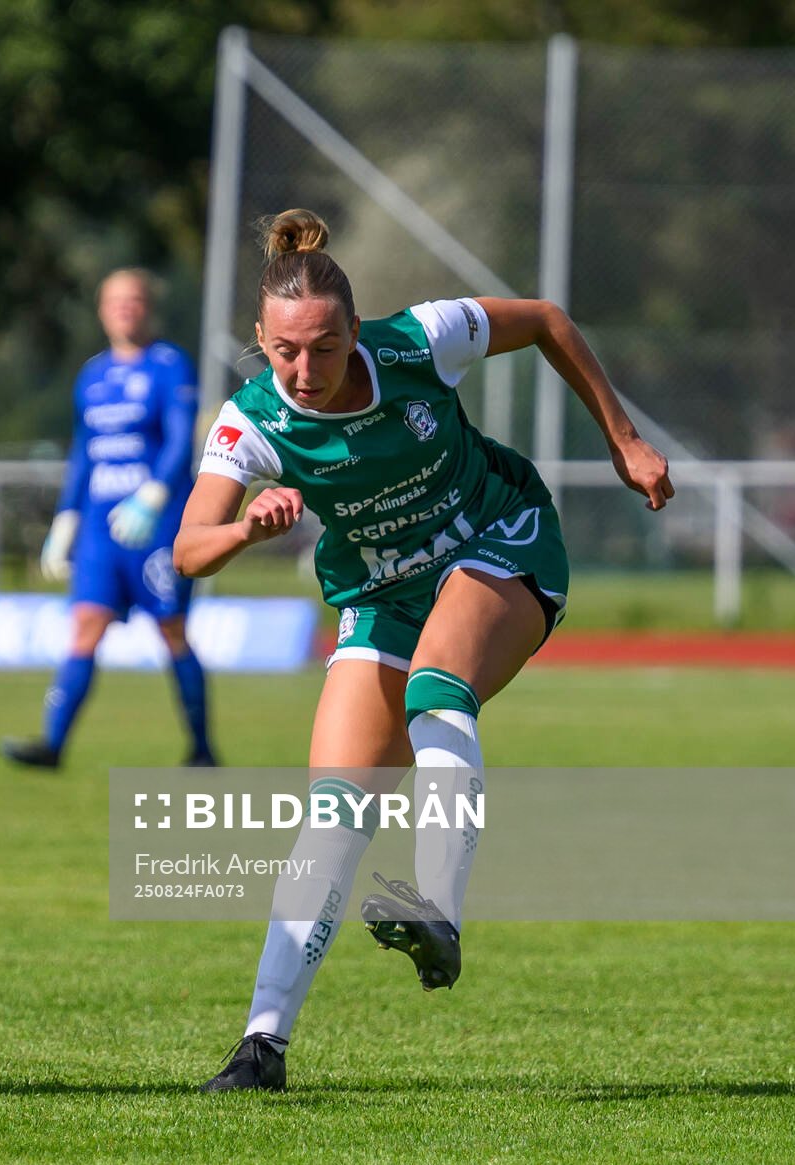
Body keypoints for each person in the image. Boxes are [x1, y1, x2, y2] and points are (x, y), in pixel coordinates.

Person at [177, 210, 671, 1092]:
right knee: (331, 814)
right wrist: (249, 525)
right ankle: (261, 1047)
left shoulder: (422, 341)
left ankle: (439, 909)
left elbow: (548, 320)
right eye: (285, 351)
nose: (305, 370)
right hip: (382, 593)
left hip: (500, 536)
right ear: (259, 339)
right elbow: (188, 548)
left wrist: (624, 439)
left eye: (325, 348)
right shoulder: (250, 422)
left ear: (355, 332)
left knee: (438, 687)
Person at [2, 269, 216, 770]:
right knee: (85, 628)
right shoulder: (92, 375)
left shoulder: (170, 365)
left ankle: (202, 750)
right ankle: (52, 746)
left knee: (173, 631)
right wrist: (66, 520)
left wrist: (156, 494)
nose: (125, 308)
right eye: (115, 301)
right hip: (101, 530)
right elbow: (84, 452)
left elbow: (182, 436)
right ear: (101, 310)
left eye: (134, 300)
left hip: (156, 529)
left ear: (148, 308)